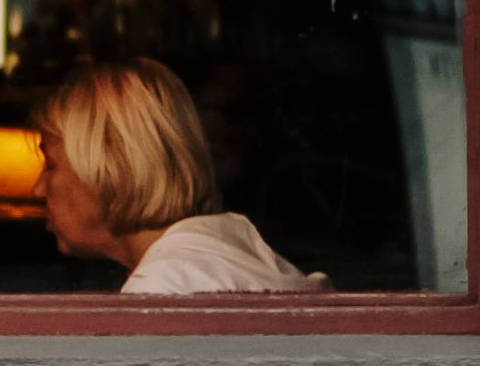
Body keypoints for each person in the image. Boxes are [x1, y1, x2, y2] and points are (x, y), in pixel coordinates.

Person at [34, 56, 323, 297]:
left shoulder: (163, 290)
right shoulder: (227, 252)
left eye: (50, 164)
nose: (37, 189)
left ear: (109, 167)